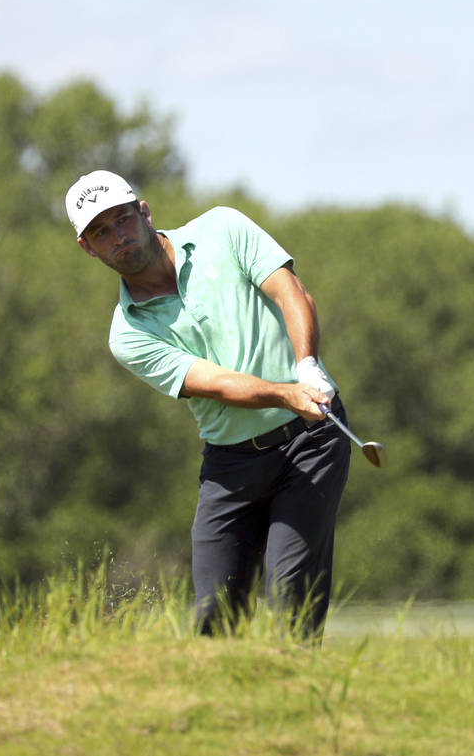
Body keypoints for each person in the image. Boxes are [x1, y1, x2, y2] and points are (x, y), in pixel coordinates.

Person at [64, 170, 351, 639]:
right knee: (214, 615)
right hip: (231, 463)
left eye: (122, 220)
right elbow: (214, 383)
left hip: (311, 442)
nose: (119, 237)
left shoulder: (222, 228)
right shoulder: (127, 333)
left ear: (144, 212)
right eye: (102, 232)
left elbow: (290, 291)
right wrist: (285, 393)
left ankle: (296, 701)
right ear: (88, 247)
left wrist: (307, 366)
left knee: (290, 601)